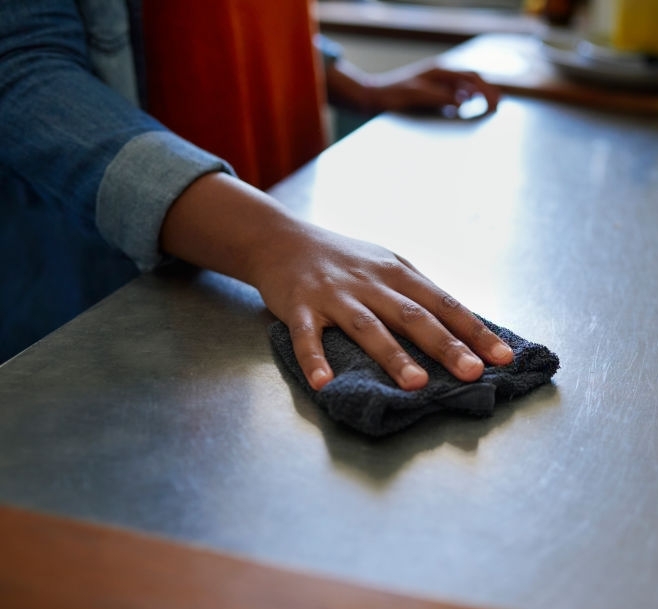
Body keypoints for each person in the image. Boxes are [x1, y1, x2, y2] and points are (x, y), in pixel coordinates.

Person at [0, 0, 512, 390]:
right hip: (106, 286)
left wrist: (355, 84)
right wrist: (270, 241)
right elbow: (20, 67)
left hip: (268, 226)